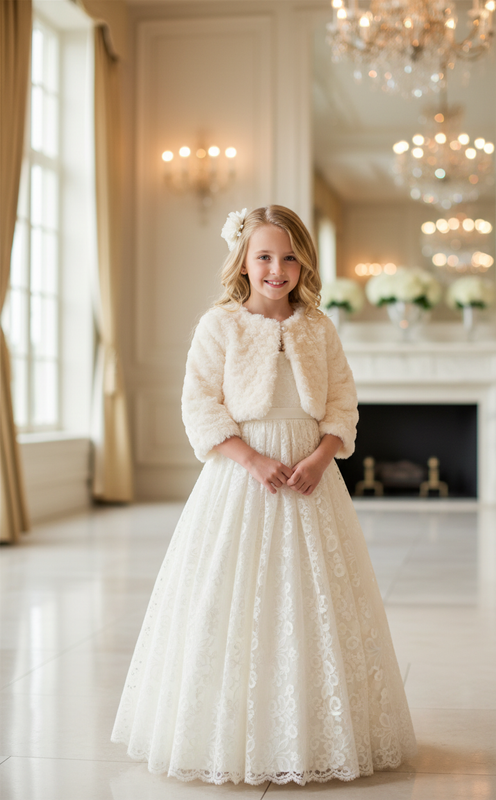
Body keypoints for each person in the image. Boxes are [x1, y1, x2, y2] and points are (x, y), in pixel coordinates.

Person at [111, 205, 417, 785]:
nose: (278, 268)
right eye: (265, 257)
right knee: (236, 600)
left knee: (312, 603)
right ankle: (235, 732)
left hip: (310, 474)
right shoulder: (219, 325)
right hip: (242, 475)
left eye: (290, 257)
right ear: (244, 262)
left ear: (304, 262)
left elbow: (342, 404)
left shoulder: (318, 327)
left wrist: (322, 457)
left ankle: (310, 729)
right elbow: (199, 403)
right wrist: (250, 459)